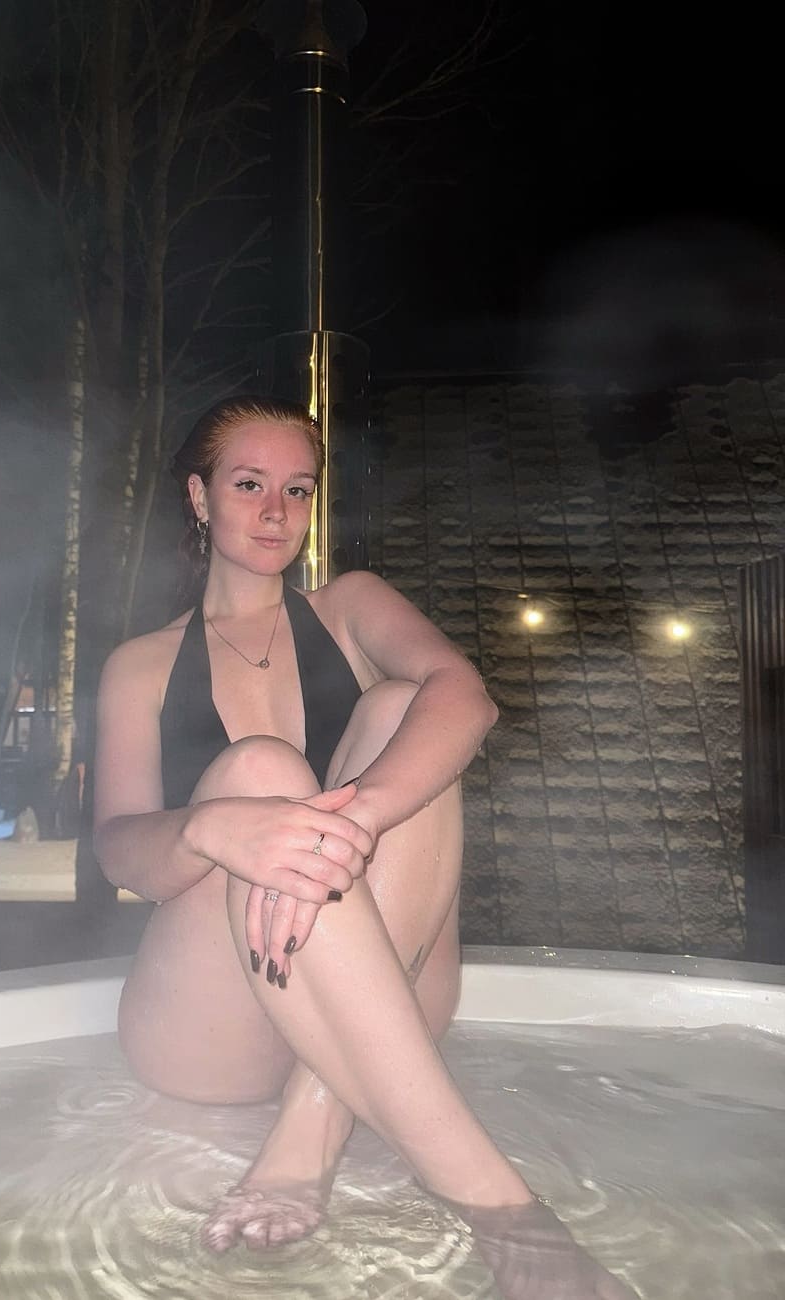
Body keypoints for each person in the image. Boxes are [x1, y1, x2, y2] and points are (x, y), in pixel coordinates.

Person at [92, 396, 636, 1299]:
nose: (277, 511)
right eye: (249, 484)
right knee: (259, 770)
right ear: (198, 496)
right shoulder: (141, 664)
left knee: (404, 709)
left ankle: (311, 1128)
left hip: (377, 996)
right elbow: (118, 850)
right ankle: (504, 1210)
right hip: (213, 1027)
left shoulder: (349, 607)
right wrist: (210, 827)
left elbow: (468, 697)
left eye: (298, 490)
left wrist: (364, 816)